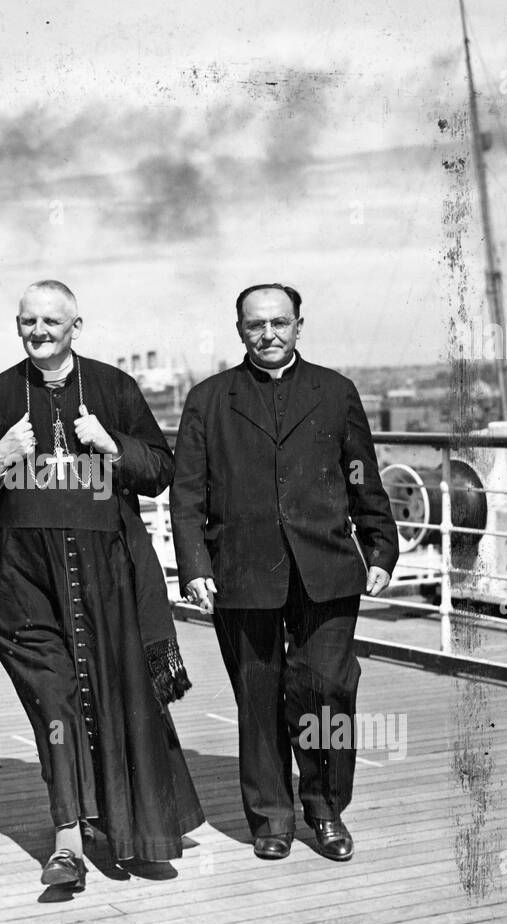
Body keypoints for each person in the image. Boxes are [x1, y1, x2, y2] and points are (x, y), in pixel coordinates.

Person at [0, 279, 203, 892]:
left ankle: (130, 830)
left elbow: (161, 473)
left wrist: (114, 446)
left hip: (107, 574)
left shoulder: (115, 388)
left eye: (51, 323)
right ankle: (66, 842)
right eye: (27, 322)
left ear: (75, 327)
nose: (38, 332)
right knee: (57, 703)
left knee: (116, 695)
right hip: (21, 581)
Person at [170, 283, 398, 863]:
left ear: (300, 324)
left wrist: (381, 548)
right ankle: (271, 817)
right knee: (259, 696)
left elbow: (360, 474)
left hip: (327, 569)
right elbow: (188, 494)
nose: (268, 334)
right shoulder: (209, 399)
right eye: (255, 325)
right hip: (243, 572)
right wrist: (194, 566)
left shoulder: (335, 391)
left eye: (279, 322)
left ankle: (325, 810)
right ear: (239, 330)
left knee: (327, 692)